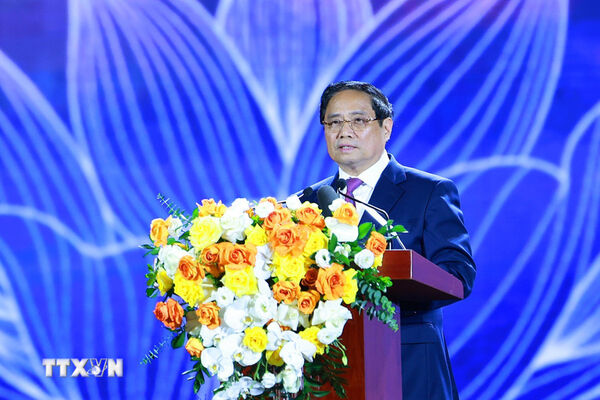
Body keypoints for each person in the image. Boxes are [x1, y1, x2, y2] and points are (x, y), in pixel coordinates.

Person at [302, 81, 476, 399]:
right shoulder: (307, 201)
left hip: (408, 361)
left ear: (386, 128)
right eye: (334, 122)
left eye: (358, 120)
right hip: (328, 370)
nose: (344, 131)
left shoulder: (429, 191)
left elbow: (458, 275)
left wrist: (384, 286)